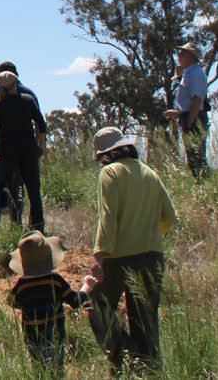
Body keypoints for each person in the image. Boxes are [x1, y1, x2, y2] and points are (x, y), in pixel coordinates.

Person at [87, 127, 176, 375]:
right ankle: (149, 370)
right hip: (152, 257)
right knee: (146, 320)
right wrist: (151, 236)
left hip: (119, 257)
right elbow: (169, 217)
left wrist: (100, 254)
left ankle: (124, 354)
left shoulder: (110, 172)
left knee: (96, 304)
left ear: (105, 155)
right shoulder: (150, 173)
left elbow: (108, 216)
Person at [8, 231, 97, 377]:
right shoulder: (55, 281)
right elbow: (75, 301)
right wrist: (87, 286)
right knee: (56, 369)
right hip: (54, 335)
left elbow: (12, 301)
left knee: (39, 370)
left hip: (32, 338)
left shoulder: (22, 285)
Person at [0, 71, 47, 230]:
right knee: (33, 188)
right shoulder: (27, 100)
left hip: (8, 151)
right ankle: (38, 226)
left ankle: (16, 226)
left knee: (14, 190)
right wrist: (42, 145)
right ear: (15, 84)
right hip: (28, 149)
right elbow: (41, 124)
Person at [163, 42, 210, 179]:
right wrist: (178, 112)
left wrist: (190, 122)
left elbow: (197, 100)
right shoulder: (188, 74)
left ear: (191, 56)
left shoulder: (195, 74)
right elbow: (190, 102)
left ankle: (204, 184)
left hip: (194, 119)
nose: (179, 55)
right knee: (193, 158)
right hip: (191, 117)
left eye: (182, 53)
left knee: (197, 157)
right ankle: (201, 184)